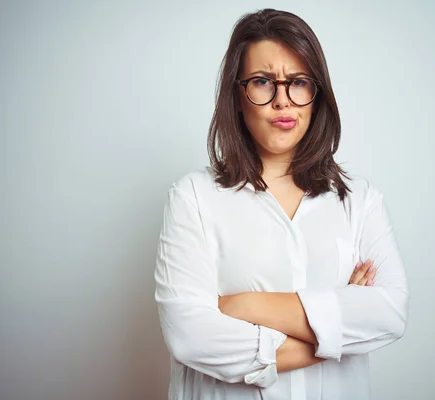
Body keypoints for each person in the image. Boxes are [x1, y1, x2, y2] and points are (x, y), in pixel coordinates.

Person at [154, 8, 409, 400]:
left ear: (316, 93)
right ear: (237, 96)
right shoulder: (193, 197)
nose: (282, 101)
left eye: (299, 82)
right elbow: (190, 337)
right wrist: (335, 330)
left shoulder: (360, 200)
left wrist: (242, 305)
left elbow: (389, 314)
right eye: (262, 82)